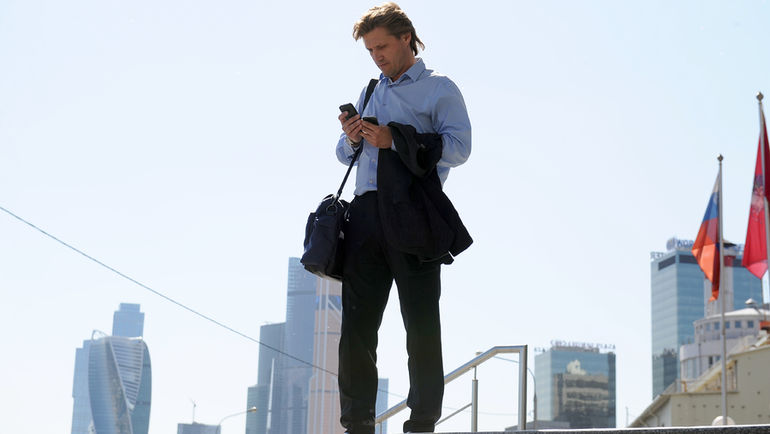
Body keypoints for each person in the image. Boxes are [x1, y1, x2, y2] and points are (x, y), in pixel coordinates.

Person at [335, 3, 472, 433]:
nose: (376, 56)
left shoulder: (439, 88)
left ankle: (422, 422)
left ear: (406, 39)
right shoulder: (370, 91)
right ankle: (357, 423)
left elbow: (459, 148)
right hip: (364, 214)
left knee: (421, 322)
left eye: (382, 47)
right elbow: (344, 155)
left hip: (414, 213)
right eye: (370, 50)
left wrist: (394, 139)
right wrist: (351, 138)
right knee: (356, 327)